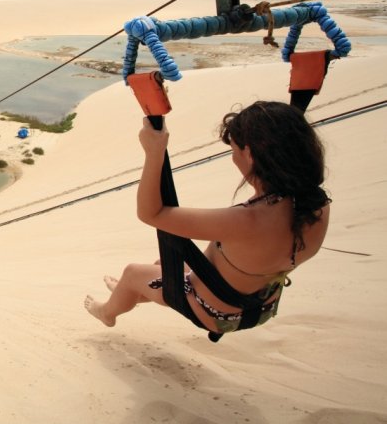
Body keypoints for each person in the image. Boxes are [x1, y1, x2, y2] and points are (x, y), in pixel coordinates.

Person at [84, 101, 331, 335]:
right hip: (260, 304)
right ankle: (128, 294)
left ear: (251, 155)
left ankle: (107, 312)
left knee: (133, 273)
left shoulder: (247, 221)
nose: (233, 158)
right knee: (164, 265)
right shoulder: (316, 204)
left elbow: (151, 213)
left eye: (234, 149)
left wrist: (154, 152)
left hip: (217, 313)